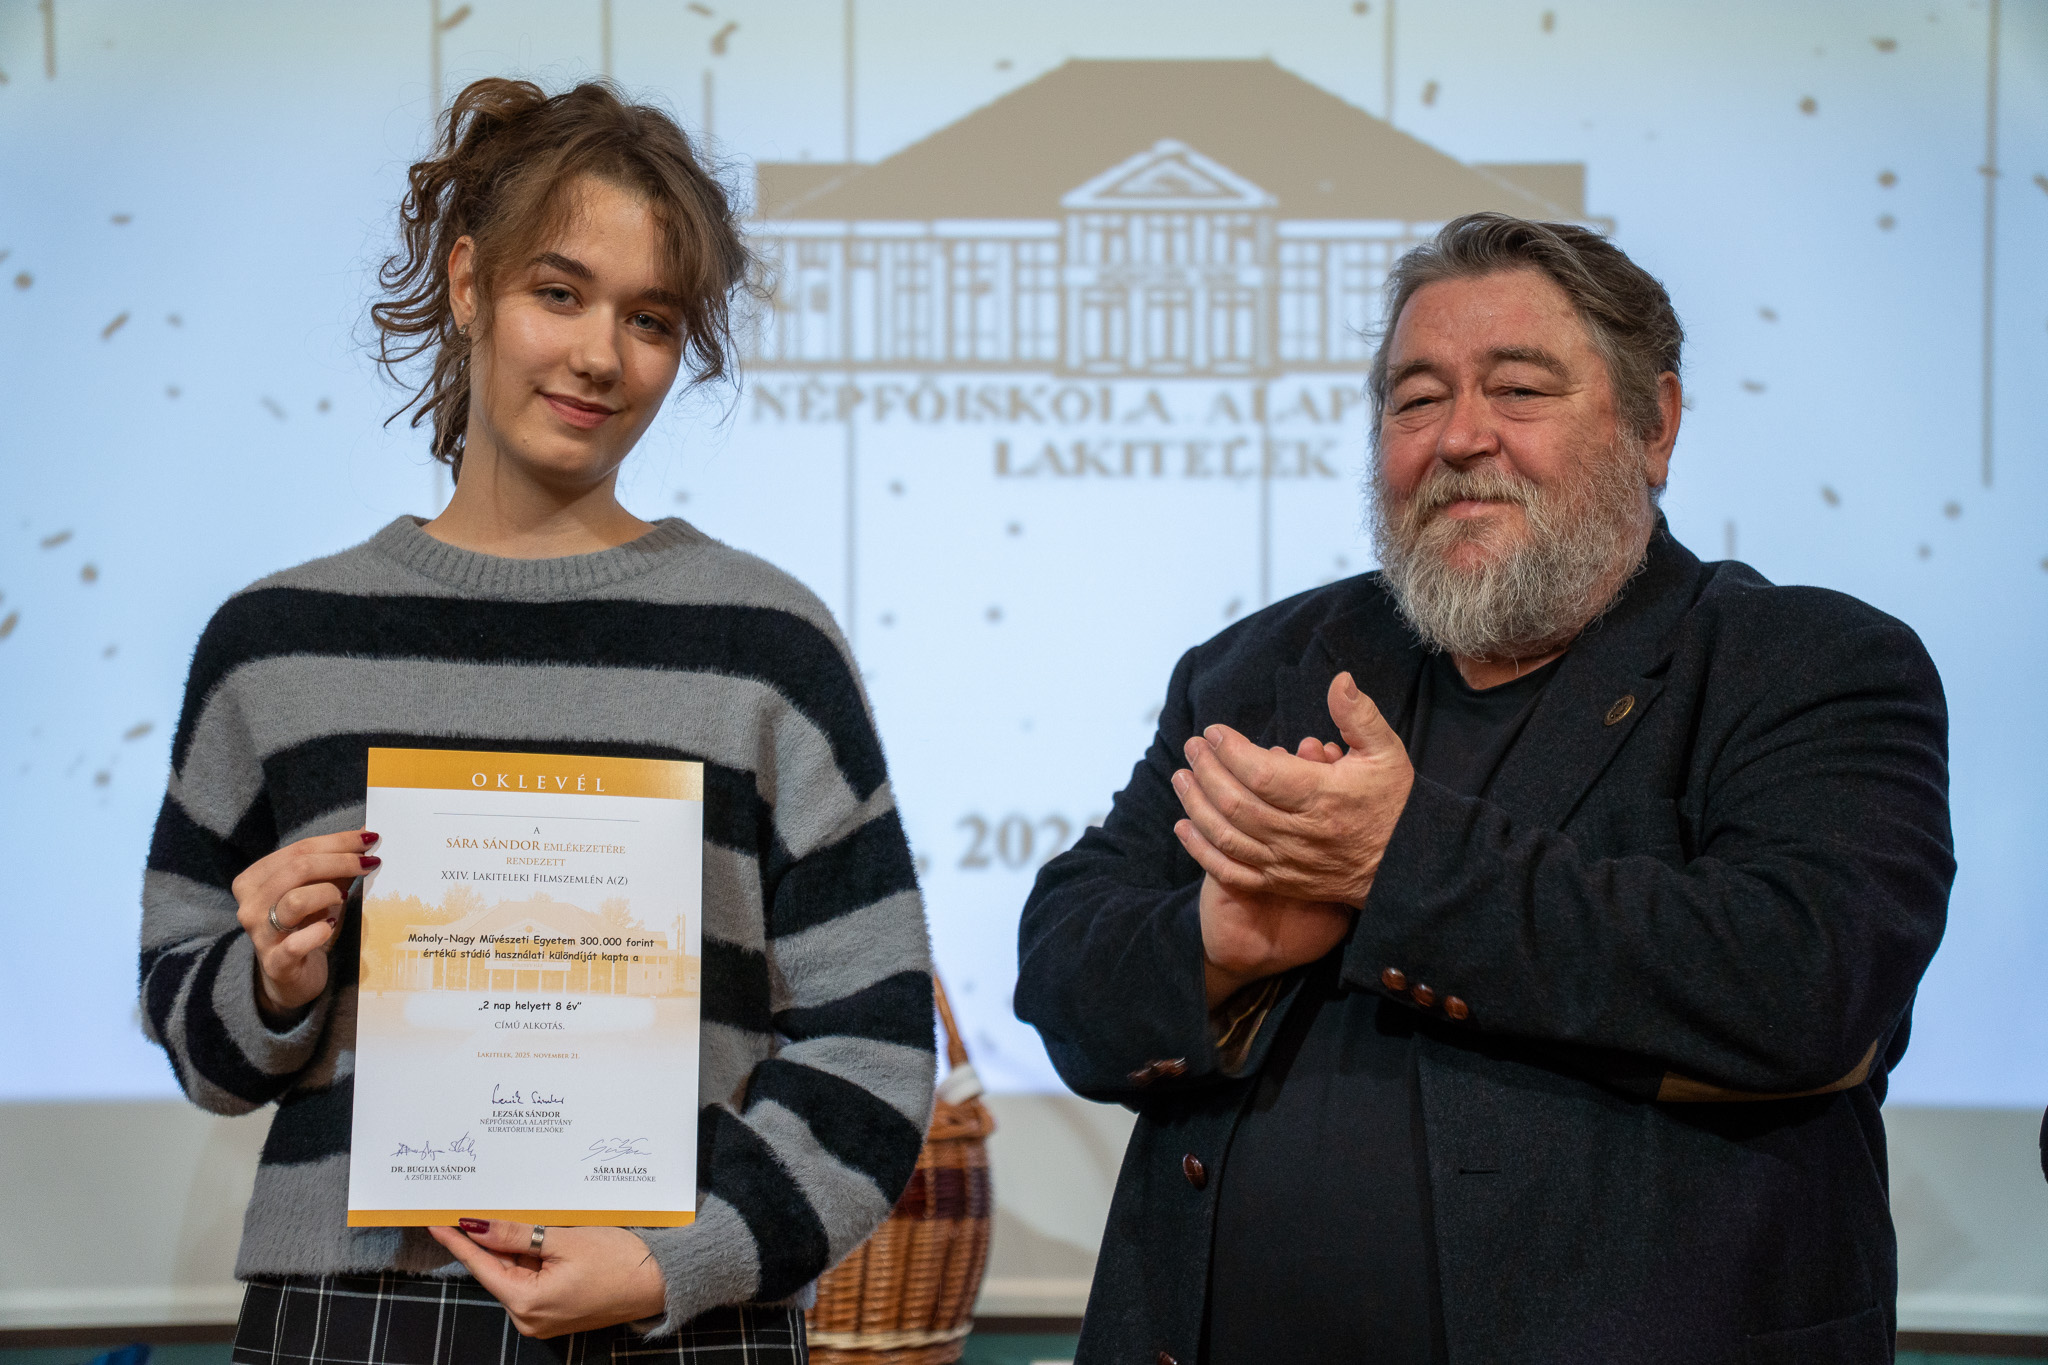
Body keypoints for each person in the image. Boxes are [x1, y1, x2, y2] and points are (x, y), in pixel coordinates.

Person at [1016, 213, 1953, 1364]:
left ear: (1653, 424)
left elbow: (1804, 980)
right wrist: (1221, 944)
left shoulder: (1805, 663)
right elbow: (1062, 967)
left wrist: (1395, 863)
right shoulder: (1260, 668)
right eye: (1415, 400)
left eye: (1517, 390)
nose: (1460, 437)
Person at [139, 79, 934, 1363]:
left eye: (651, 319)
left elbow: (876, 1041)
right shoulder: (276, 645)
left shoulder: (766, 646)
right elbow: (196, 1033)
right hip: (356, 1315)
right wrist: (270, 980)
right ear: (468, 285)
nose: (600, 356)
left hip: (682, 1318)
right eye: (558, 293)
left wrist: (678, 1257)